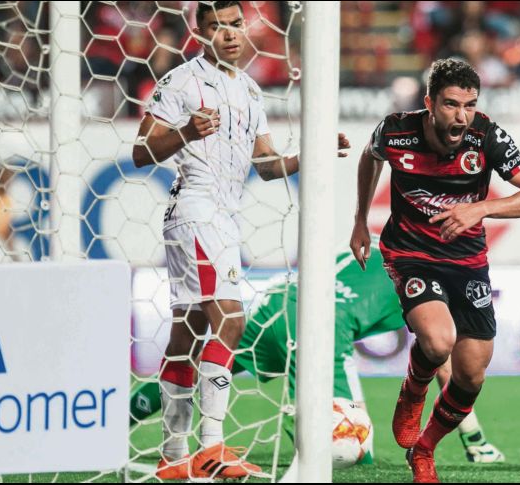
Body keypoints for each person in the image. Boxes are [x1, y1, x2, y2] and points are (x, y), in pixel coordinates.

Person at [132, 1, 349, 479]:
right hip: (195, 209)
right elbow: (141, 151)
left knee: (187, 331)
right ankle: (211, 447)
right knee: (230, 318)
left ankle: (172, 456)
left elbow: (267, 167)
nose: (229, 34)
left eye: (234, 24)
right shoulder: (182, 81)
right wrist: (186, 132)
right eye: (217, 26)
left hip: (223, 215)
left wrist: (310, 153)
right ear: (199, 31)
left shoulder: (249, 88)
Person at [129, 240, 506, 472]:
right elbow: (441, 359)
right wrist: (474, 441)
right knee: (356, 449)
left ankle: (121, 414)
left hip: (274, 307)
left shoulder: (379, 247)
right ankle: (312, 430)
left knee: (204, 372)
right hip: (325, 324)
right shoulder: (430, 280)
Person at [350, 58, 520, 483]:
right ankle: (413, 389)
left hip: (467, 260)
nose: (461, 116)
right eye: (450, 105)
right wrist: (359, 221)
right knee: (438, 340)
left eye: (469, 105)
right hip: (411, 252)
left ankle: (424, 449)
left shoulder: (487, 135)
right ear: (429, 103)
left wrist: (482, 208)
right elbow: (370, 159)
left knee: (471, 375)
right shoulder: (396, 129)